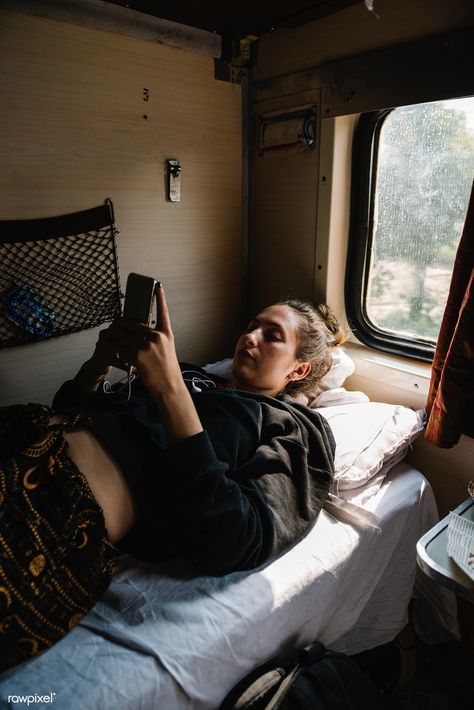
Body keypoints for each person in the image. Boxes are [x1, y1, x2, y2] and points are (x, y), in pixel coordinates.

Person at [0, 286, 345, 671]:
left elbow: (235, 538)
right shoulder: (192, 376)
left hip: (50, 500)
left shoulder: (295, 427)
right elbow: (80, 414)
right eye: (251, 326)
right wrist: (97, 366)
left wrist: (169, 389)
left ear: (298, 369)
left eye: (272, 335)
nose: (249, 337)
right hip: (21, 430)